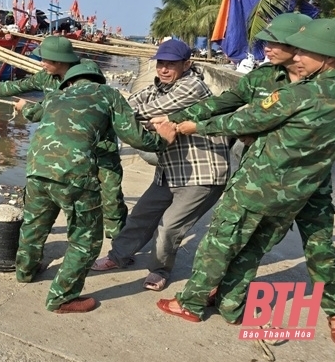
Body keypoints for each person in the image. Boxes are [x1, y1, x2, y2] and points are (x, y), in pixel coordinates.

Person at [156, 18, 335, 349]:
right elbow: (228, 103)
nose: (268, 49)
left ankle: (191, 302)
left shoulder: (301, 93)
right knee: (254, 246)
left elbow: (244, 119)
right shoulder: (271, 79)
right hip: (297, 187)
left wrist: (189, 126)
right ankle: (232, 303)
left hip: (268, 183)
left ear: (326, 54)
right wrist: (178, 117)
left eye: (295, 48)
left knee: (223, 242)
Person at [15, 63, 177, 313]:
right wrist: (163, 140)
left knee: (34, 225)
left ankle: (25, 271)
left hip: (37, 170)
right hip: (74, 175)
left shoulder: (55, 96)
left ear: (69, 82)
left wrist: (22, 107)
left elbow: (32, 113)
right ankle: (62, 298)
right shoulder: (109, 94)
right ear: (97, 80)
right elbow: (134, 137)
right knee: (86, 239)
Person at [90, 39, 231, 292]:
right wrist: (142, 119)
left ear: (187, 64)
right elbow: (127, 108)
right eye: (161, 64)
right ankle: (118, 256)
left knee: (169, 228)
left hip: (202, 174)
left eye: (171, 64)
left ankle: (159, 269)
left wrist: (141, 118)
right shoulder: (156, 87)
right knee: (141, 216)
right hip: (170, 170)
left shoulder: (193, 86)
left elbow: (145, 112)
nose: (164, 69)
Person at [0, 36, 129, 239]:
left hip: (99, 145)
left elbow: (59, 111)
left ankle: (117, 241)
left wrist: (29, 109)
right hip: (66, 149)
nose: (41, 63)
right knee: (71, 196)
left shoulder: (87, 74)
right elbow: (16, 86)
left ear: (59, 60)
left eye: (45, 59)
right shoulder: (45, 77)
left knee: (110, 194)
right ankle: (81, 234)